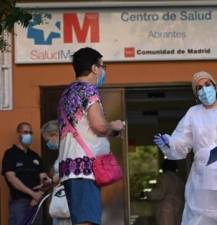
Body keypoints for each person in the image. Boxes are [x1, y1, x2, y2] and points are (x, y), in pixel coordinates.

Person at [153, 71, 217, 225]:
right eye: (199, 88)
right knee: (199, 217)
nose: (204, 90)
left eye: (207, 84)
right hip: (202, 176)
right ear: (196, 94)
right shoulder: (193, 113)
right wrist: (170, 143)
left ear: (215, 87)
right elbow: (182, 142)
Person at [57, 47, 125, 225]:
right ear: (95, 68)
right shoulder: (88, 91)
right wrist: (115, 126)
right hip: (84, 169)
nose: (103, 71)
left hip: (70, 168)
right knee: (88, 221)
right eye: (102, 66)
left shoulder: (66, 93)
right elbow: (99, 126)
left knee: (82, 220)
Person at [2, 122, 52, 225]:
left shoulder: (35, 156)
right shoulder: (10, 154)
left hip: (37, 201)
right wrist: (32, 194)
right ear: (18, 134)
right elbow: (11, 178)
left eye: (30, 132)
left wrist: (41, 191)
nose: (28, 135)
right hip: (19, 201)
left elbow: (43, 177)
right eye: (25, 132)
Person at [41, 120, 72, 225]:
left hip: (68, 200)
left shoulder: (69, 148)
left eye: (47, 140)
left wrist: (57, 178)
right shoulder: (63, 150)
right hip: (62, 200)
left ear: (54, 135)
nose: (47, 143)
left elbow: (72, 170)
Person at [143, 159, 184, 225]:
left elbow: (159, 193)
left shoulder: (164, 177)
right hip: (179, 208)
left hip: (167, 210)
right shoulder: (179, 179)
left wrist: (146, 194)